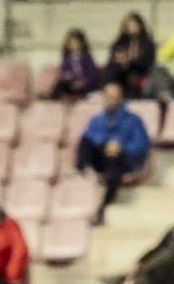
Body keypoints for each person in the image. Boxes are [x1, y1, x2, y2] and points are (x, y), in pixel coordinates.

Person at [75, 80, 151, 225]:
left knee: (114, 166)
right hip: (102, 158)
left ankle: (103, 207)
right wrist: (107, 143)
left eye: (114, 96)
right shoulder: (97, 119)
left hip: (123, 161)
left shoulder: (134, 120)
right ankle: (80, 173)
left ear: (121, 97)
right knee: (85, 141)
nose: (111, 99)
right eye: (108, 96)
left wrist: (120, 147)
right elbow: (90, 136)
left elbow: (141, 144)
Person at [105, 12, 156, 94]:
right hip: (123, 73)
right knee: (112, 67)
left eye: (134, 25)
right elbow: (114, 58)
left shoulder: (148, 43)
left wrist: (130, 63)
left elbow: (148, 63)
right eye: (129, 26)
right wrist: (122, 62)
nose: (132, 28)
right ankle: (108, 89)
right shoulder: (119, 42)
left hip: (141, 73)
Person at [50, 29, 104, 99]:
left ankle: (78, 98)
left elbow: (91, 75)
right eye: (70, 42)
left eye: (75, 42)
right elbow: (63, 72)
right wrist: (68, 77)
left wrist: (82, 83)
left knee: (84, 89)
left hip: (84, 85)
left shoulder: (87, 58)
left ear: (81, 43)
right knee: (61, 84)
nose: (73, 45)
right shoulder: (67, 58)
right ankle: (51, 98)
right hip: (72, 84)